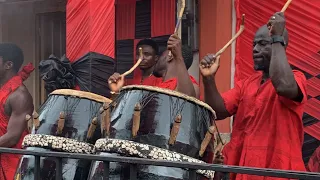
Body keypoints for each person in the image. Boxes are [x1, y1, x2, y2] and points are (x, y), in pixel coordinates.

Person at [200, 12, 306, 180]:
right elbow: (217, 111)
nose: (255, 49)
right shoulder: (246, 84)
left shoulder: (296, 78)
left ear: (280, 45)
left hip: (279, 173)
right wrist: (208, 79)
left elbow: (284, 86)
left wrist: (277, 36)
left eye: (263, 44)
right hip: (244, 171)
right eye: (254, 44)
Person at [0, 43, 34, 180]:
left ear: (8, 65)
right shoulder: (4, 90)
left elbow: (12, 137)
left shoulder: (19, 95)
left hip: (11, 166)